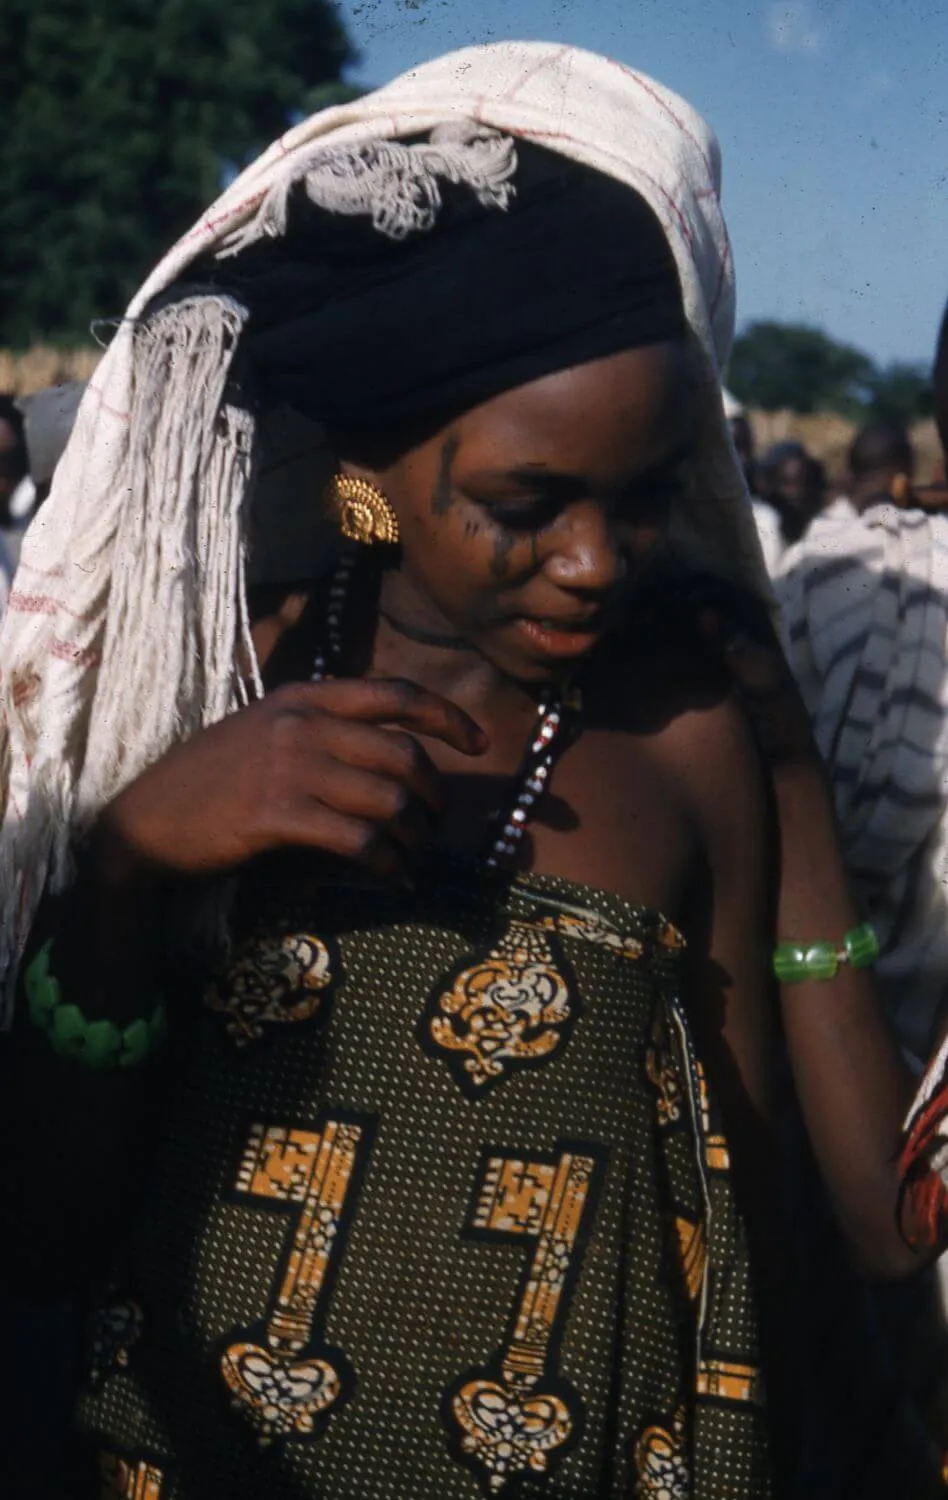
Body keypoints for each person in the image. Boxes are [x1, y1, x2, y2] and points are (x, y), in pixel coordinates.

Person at [0, 43, 926, 1500]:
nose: (596, 563)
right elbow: (45, 1233)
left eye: (642, 502)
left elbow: (798, 1234)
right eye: (528, 503)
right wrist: (124, 869)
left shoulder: (681, 751)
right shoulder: (215, 694)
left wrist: (794, 792)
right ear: (369, 477)